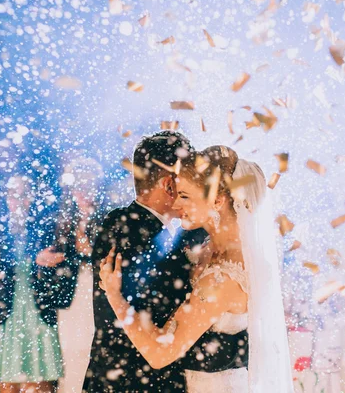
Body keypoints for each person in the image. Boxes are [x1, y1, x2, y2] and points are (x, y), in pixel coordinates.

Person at [99, 145, 293, 392]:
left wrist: (115, 297)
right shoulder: (214, 249)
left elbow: (160, 354)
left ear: (218, 200)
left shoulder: (221, 279)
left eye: (185, 196)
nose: (176, 203)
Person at [83, 132, 248, 392]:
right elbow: (162, 325)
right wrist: (237, 346)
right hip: (133, 382)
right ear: (170, 184)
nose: (184, 199)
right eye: (183, 186)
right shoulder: (128, 230)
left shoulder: (193, 234)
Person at [0, 175, 68, 393]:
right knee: (7, 380)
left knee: (42, 381)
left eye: (24, 194)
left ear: (32, 197)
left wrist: (43, 264)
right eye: (14, 194)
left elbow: (61, 262)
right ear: (5, 197)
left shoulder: (45, 225)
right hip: (4, 312)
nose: (19, 200)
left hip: (37, 310)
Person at [36, 156, 104, 393]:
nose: (83, 191)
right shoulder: (59, 219)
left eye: (89, 184)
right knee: (69, 353)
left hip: (97, 294)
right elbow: (44, 255)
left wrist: (90, 252)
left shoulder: (107, 218)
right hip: (68, 297)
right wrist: (43, 260)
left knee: (91, 350)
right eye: (79, 185)